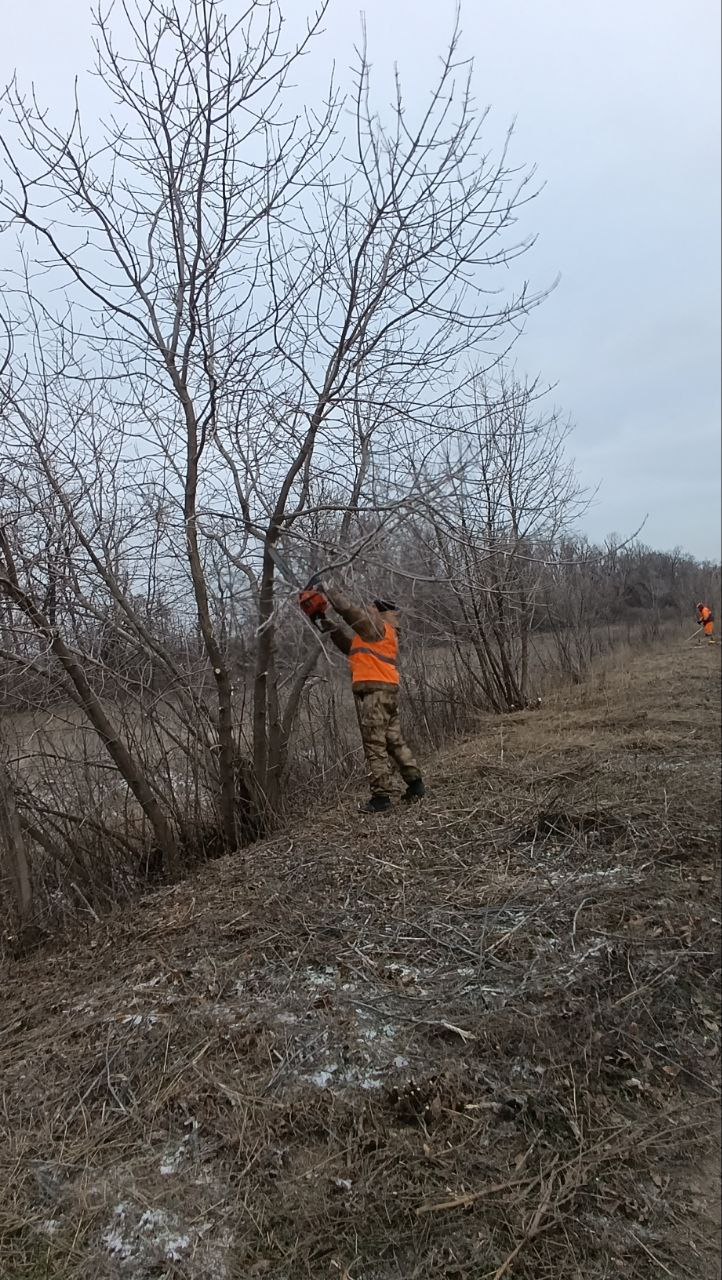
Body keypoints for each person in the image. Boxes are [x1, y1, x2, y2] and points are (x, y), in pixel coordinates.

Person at [299, 583, 425, 812]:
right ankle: (416, 785)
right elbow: (349, 647)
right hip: (387, 691)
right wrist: (324, 621)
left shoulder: (378, 627)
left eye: (371, 608)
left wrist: (329, 589)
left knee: (374, 743)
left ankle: (381, 798)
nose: (367, 610)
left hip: (376, 694)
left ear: (379, 612)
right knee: (394, 741)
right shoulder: (377, 635)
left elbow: (350, 613)